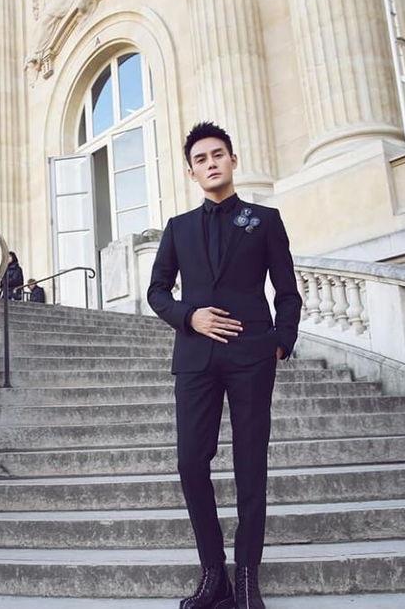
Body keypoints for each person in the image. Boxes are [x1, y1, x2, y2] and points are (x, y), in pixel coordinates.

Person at [147, 121, 302, 609]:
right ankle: (213, 574)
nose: (210, 163)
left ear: (233, 160)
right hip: (195, 358)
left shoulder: (265, 220)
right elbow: (156, 291)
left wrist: (281, 341)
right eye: (201, 159)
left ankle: (248, 578)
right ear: (191, 172)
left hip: (252, 354)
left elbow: (287, 290)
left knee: (250, 463)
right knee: (191, 461)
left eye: (218, 154)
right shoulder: (178, 228)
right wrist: (189, 316)